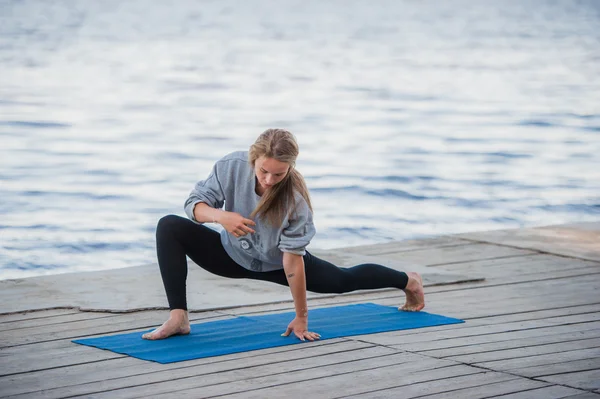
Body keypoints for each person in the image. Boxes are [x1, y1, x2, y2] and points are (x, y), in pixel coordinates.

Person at [143, 128, 425, 342]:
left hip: (277, 264)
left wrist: (301, 317)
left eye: (278, 174)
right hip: (229, 255)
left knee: (343, 279)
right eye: (263, 171)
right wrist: (221, 216)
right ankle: (178, 317)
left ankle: (408, 281)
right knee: (169, 226)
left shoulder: (295, 199)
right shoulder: (230, 167)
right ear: (254, 158)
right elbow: (195, 204)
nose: (268, 180)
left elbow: (292, 262)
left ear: (290, 167)